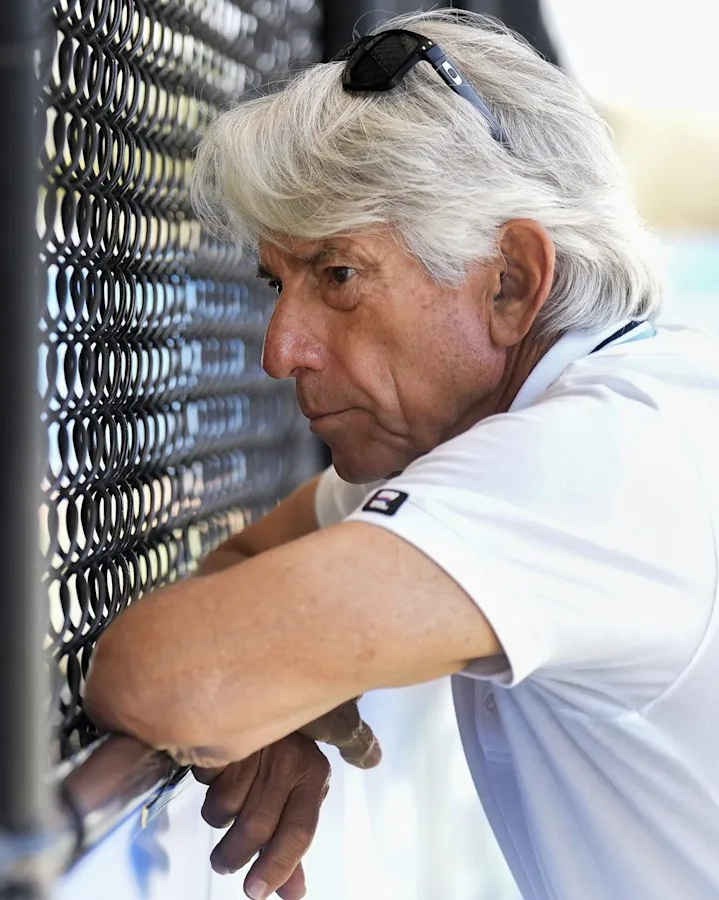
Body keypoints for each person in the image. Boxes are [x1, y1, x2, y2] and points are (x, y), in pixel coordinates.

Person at [82, 9, 719, 900]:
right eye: (279, 283)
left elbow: (163, 675)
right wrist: (275, 688)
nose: (280, 349)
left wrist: (260, 680)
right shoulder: (584, 411)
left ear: (510, 282)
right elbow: (241, 575)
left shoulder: (594, 460)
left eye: (337, 276)